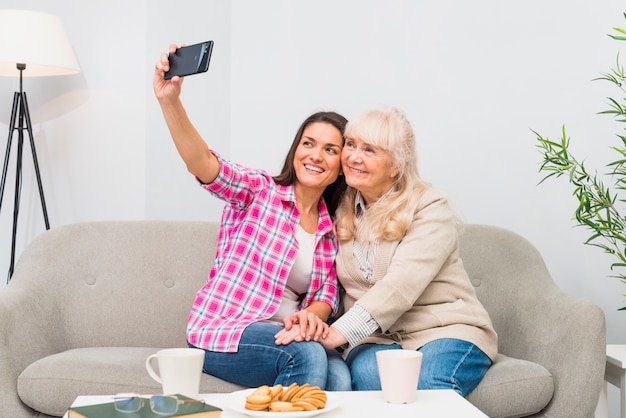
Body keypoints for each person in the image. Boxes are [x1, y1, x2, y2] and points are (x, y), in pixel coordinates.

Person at [153, 44, 351, 391]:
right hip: (226, 328)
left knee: (340, 374)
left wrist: (309, 319)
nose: (315, 155)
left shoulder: (330, 229)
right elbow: (205, 165)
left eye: (330, 149)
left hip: (286, 333)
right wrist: (170, 101)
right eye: (308, 143)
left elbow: (325, 295)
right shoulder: (259, 191)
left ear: (339, 170)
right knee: (306, 355)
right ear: (295, 150)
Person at [276, 105, 498, 396]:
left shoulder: (430, 207)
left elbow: (401, 284)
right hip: (377, 340)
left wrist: (338, 333)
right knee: (369, 383)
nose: (354, 157)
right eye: (351, 145)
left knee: (428, 387)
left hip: (443, 332)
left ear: (396, 164)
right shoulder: (339, 208)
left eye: (370, 150)